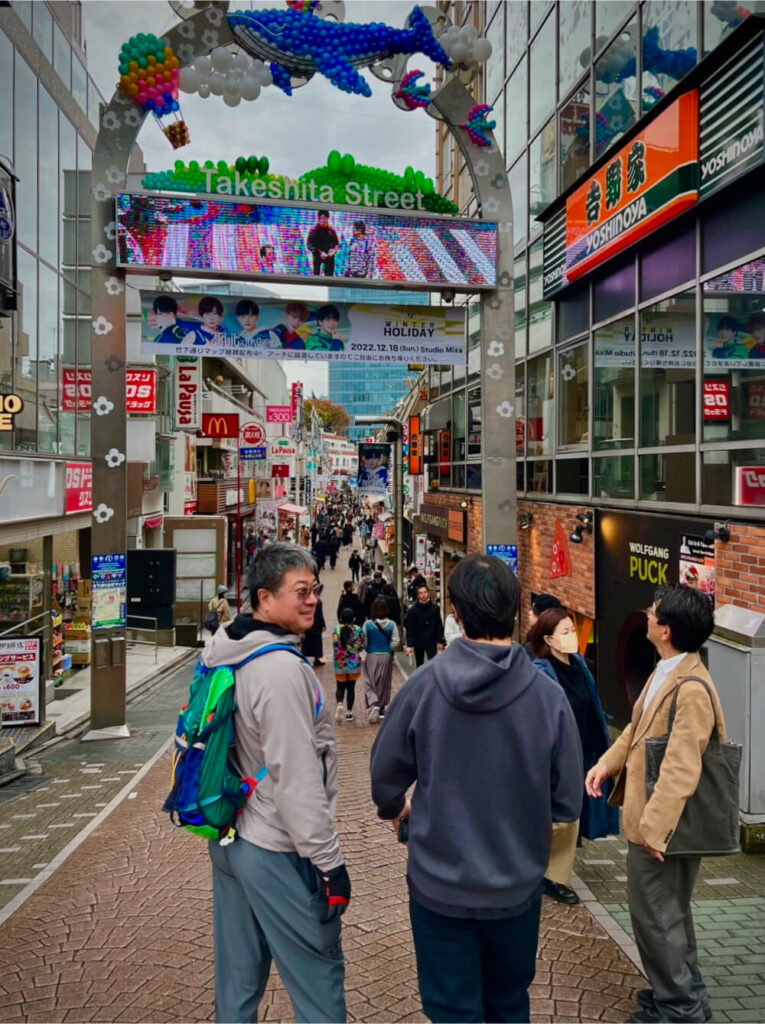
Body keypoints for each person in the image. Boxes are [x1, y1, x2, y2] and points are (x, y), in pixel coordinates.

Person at [370, 554, 582, 1024]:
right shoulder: (548, 697)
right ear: (512, 611)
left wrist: (397, 809)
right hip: (515, 885)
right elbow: (567, 799)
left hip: (439, 883)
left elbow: (385, 774)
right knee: (508, 1003)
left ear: (457, 613)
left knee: (450, 1008)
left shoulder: (424, 687)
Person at [203, 543, 349, 1023]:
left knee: (239, 978)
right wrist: (328, 861)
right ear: (265, 599)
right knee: (317, 974)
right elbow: (296, 777)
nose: (312, 601)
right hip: (274, 844)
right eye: (301, 592)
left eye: (315, 591)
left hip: (231, 833)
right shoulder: (282, 670)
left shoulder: (227, 649)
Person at [586, 585, 727, 1024]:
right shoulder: (667, 670)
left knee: (656, 920)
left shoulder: (691, 688)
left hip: (662, 831)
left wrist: (654, 830)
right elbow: (635, 729)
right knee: (670, 916)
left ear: (665, 629)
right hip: (655, 825)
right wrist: (606, 765)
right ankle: (684, 996)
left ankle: (679, 1008)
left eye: (653, 612)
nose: (646, 615)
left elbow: (682, 768)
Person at [527, 608, 619, 906]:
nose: (571, 636)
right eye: (565, 632)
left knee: (575, 816)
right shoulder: (541, 670)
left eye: (572, 629)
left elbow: (591, 701)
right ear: (549, 640)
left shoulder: (578, 663)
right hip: (560, 755)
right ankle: (551, 876)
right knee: (561, 818)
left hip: (588, 749)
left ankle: (550, 872)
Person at [363, 596, 399, 724]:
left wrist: (368, 649)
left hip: (372, 655)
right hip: (386, 656)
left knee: (369, 681)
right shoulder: (392, 624)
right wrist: (388, 648)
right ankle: (380, 706)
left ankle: (373, 702)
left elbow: (364, 641)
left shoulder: (367, 624)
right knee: (383, 682)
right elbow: (396, 641)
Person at [333, 608, 365, 724]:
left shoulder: (336, 629)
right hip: (353, 663)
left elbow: (335, 644)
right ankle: (349, 712)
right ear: (354, 619)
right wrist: (354, 649)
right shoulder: (358, 629)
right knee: (351, 688)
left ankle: (340, 703)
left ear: (340, 618)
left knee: (340, 686)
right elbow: (361, 645)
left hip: (340, 662)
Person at [405, 584, 445, 666]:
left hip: (432, 640)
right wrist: (410, 644)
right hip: (418, 641)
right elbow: (409, 628)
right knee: (419, 664)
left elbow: (438, 625)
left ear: (429, 593)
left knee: (434, 663)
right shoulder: (412, 610)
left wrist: (441, 641)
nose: (423, 594)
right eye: (420, 593)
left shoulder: (435, 608)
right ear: (417, 595)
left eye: (425, 592)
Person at [306, 209, 340, 277]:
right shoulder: (314, 230)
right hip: (317, 258)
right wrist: (319, 253)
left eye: (326, 219)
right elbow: (309, 244)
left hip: (329, 258)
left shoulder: (331, 230)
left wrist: (334, 251)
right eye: (322, 219)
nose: (324, 221)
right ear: (318, 219)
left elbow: (336, 244)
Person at [301, 593, 326, 667]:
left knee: (311, 642)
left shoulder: (313, 600)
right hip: (315, 624)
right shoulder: (316, 601)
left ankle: (315, 658)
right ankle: (315, 658)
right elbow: (320, 614)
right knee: (314, 642)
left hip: (313, 625)